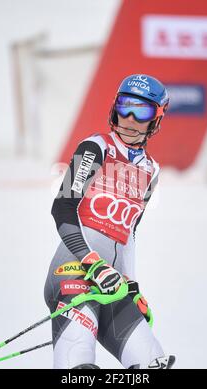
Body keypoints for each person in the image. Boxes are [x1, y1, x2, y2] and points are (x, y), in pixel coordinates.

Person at [44, 74, 175, 369]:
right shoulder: (95, 147)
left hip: (111, 283)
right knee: (79, 366)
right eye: (124, 106)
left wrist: (131, 284)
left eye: (141, 111)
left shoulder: (151, 171)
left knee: (154, 363)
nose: (129, 117)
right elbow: (63, 209)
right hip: (72, 274)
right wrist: (92, 262)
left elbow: (128, 234)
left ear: (156, 119)